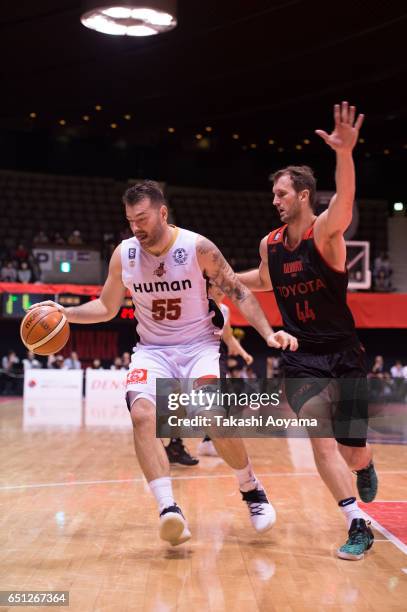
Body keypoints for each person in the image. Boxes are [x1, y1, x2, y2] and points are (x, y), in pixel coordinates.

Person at [28, 180, 297, 547]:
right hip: (153, 350)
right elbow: (107, 307)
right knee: (141, 414)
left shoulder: (197, 247)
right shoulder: (124, 254)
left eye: (142, 218)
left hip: (198, 345)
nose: (136, 227)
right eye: (130, 220)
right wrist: (67, 313)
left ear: (163, 213)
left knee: (211, 417)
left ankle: (251, 488)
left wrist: (268, 333)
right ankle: (168, 508)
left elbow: (239, 291)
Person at [238, 102, 377, 560]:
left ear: (301, 195)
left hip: (344, 352)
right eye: (273, 194)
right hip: (301, 356)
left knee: (351, 451)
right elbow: (265, 280)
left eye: (281, 194)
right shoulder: (270, 245)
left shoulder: (326, 235)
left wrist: (344, 153)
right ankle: (356, 523)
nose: (274, 201)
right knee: (320, 444)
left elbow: (346, 201)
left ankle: (366, 462)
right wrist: (226, 279)